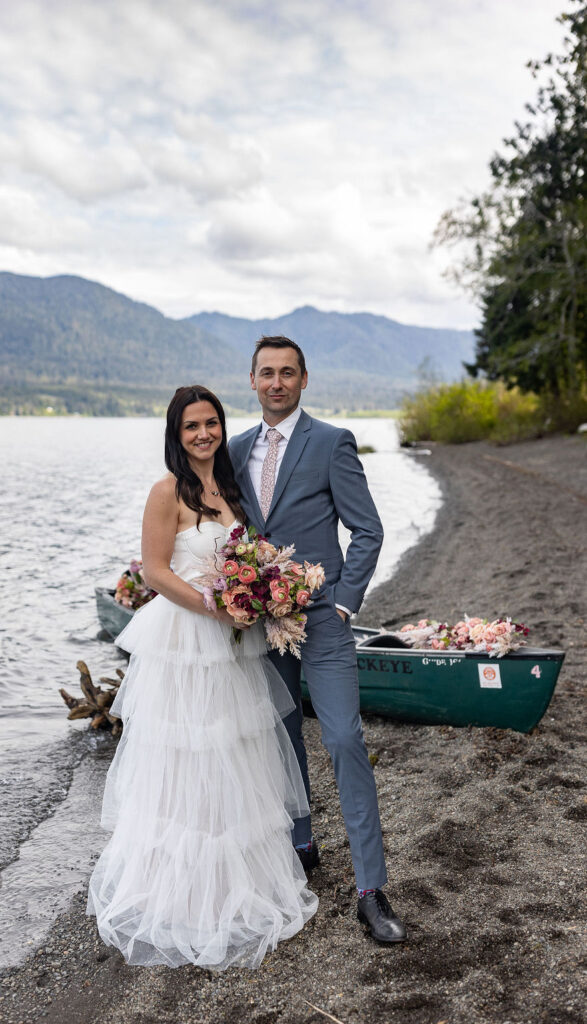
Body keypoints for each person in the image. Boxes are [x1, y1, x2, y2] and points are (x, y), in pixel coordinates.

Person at [87, 384, 318, 970]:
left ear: (221, 426)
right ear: (176, 433)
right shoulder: (166, 491)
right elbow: (158, 572)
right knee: (185, 756)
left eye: (211, 423)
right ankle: (181, 896)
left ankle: (233, 887)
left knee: (233, 754)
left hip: (232, 643)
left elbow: (246, 557)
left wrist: (257, 593)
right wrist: (214, 606)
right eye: (191, 427)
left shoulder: (232, 488)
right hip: (187, 637)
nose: (203, 435)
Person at [229, 337, 407, 944]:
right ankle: (302, 844)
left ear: (304, 379)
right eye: (266, 373)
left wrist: (343, 598)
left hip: (325, 624)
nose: (276, 383)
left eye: (287, 373)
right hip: (262, 627)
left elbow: (368, 529)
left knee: (343, 739)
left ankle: (370, 889)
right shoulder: (233, 451)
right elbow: (230, 537)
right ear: (251, 381)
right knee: (282, 742)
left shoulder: (331, 443)